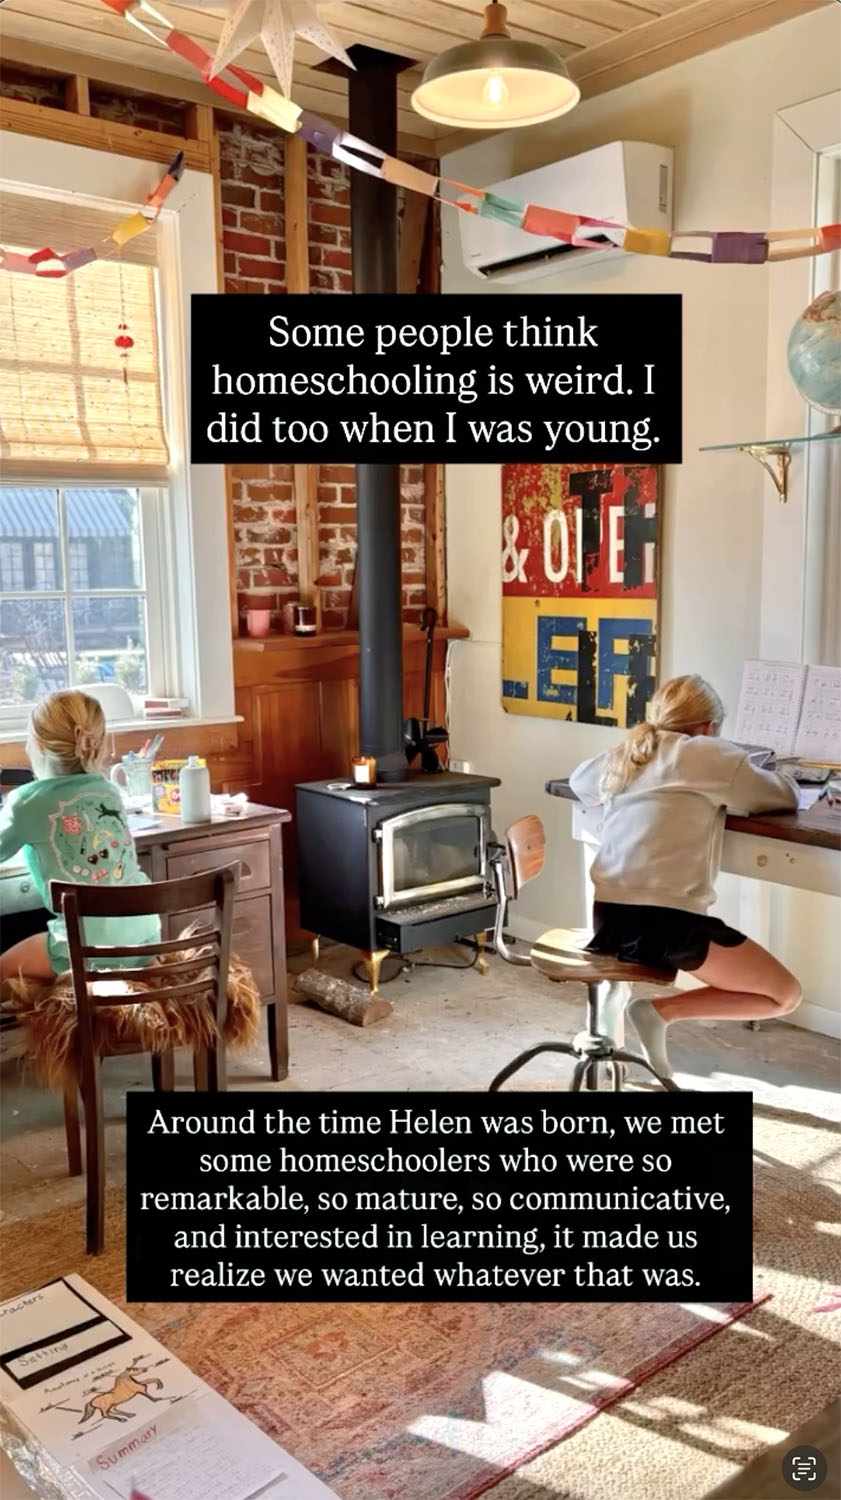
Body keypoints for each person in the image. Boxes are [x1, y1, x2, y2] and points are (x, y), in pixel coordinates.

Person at [569, 674, 801, 1082]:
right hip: (667, 925)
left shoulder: (628, 752)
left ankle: (647, 1013)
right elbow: (783, 796)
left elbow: (579, 782)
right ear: (709, 727)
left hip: (610, 920)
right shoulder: (709, 754)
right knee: (785, 995)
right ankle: (661, 1012)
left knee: (771, 987)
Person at [0, 690, 160, 982]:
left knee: (3, 969)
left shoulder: (25, 802)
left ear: (38, 744)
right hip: (144, 936)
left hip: (86, 948)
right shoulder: (109, 791)